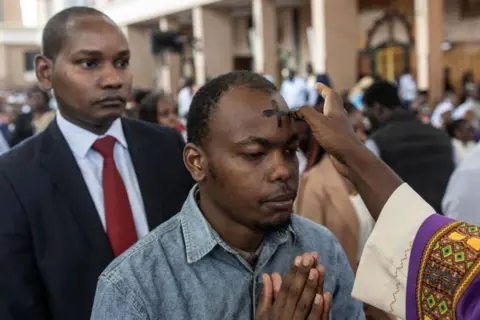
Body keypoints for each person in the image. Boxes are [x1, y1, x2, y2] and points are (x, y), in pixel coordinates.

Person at [91, 71, 364, 319]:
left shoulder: (321, 249)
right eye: (255, 155)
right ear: (197, 162)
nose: (282, 171)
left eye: (290, 151)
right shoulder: (134, 287)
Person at [0, 7, 194, 320]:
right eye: (89, 63)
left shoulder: (167, 147)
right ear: (45, 72)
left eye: (122, 62)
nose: (113, 79)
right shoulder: (13, 178)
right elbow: (18, 303)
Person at [296, 83, 480, 320]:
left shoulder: (378, 145)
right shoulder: (316, 182)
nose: (362, 133)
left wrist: (351, 151)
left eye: (362, 129)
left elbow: (465, 276)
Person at [363, 81, 454, 213]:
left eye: (367, 114)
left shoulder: (377, 142)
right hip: (444, 224)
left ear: (378, 108)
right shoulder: (442, 137)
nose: (367, 121)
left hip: (403, 227)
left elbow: (371, 194)